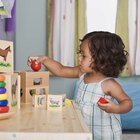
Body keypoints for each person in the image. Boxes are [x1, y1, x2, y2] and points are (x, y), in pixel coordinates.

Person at [27, 31, 133, 140]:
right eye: (80, 53)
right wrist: (45, 60)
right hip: (83, 131)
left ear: (101, 60)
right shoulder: (82, 74)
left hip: (104, 135)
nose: (79, 58)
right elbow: (60, 70)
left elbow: (127, 102)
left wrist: (116, 108)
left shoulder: (108, 84)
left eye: (83, 55)